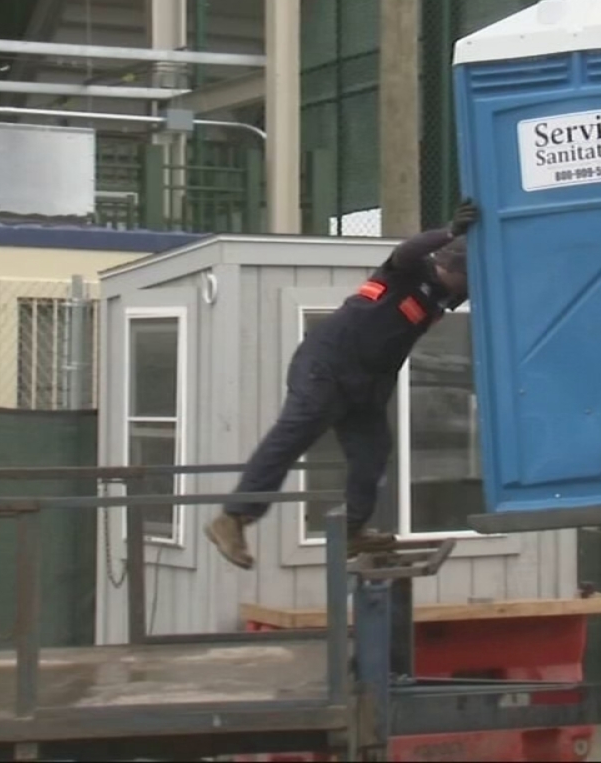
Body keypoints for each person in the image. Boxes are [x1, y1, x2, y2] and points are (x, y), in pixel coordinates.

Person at [206, 199, 480, 567]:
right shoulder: (408, 272)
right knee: (294, 435)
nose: (465, 287)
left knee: (373, 452)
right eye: (465, 277)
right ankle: (233, 518)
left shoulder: (444, 295)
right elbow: (404, 251)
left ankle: (352, 530)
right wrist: (450, 231)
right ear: (449, 265)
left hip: (367, 383)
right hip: (328, 365)